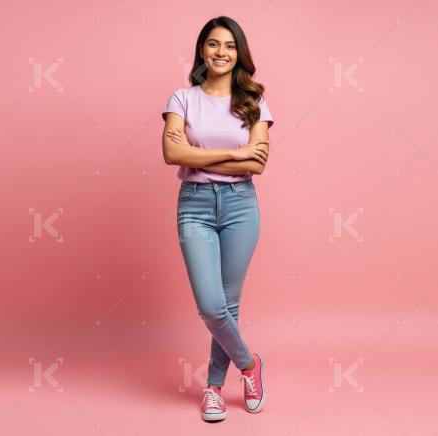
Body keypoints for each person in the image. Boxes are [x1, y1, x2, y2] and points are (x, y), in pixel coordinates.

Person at [161, 15, 274, 422]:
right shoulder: (182, 98)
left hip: (242, 205)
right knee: (211, 306)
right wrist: (238, 153)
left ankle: (212, 388)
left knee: (228, 304)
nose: (221, 52)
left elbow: (258, 164)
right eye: (213, 44)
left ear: (238, 52)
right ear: (202, 51)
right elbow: (173, 155)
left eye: (229, 45)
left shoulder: (254, 103)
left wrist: (205, 153)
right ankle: (249, 366)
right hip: (194, 204)